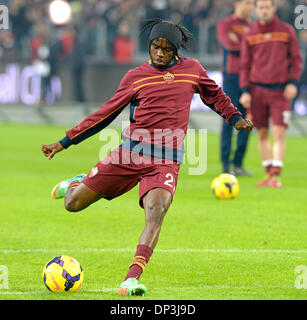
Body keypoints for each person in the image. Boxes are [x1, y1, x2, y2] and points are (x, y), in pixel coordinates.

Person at [41, 19, 254, 296]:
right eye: (156, 47)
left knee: (156, 212)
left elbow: (214, 96)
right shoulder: (135, 76)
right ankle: (78, 182)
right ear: (149, 46)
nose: (160, 53)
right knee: (72, 204)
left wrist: (235, 117)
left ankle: (131, 278)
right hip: (130, 153)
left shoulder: (193, 70)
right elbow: (104, 115)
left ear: (176, 50)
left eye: (166, 49)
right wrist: (65, 141)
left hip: (166, 160)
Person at [239, 0, 302, 187]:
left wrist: (293, 82)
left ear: (273, 9)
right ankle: (269, 175)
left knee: (279, 132)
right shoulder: (250, 33)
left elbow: (296, 59)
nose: (264, 11)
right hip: (257, 90)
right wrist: (245, 90)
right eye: (260, 8)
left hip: (280, 91)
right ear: (256, 10)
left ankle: (276, 175)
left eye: (267, 7)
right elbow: (244, 65)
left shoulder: (286, 31)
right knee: (262, 133)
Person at [217, 0, 254, 175]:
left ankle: (238, 164)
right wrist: (250, 46)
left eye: (251, 4)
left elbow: (257, 49)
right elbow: (230, 45)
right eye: (247, 3)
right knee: (229, 118)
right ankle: (226, 164)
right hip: (231, 77)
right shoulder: (225, 24)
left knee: (247, 119)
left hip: (250, 78)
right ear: (237, 4)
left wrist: (241, 43)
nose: (250, 7)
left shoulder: (253, 27)